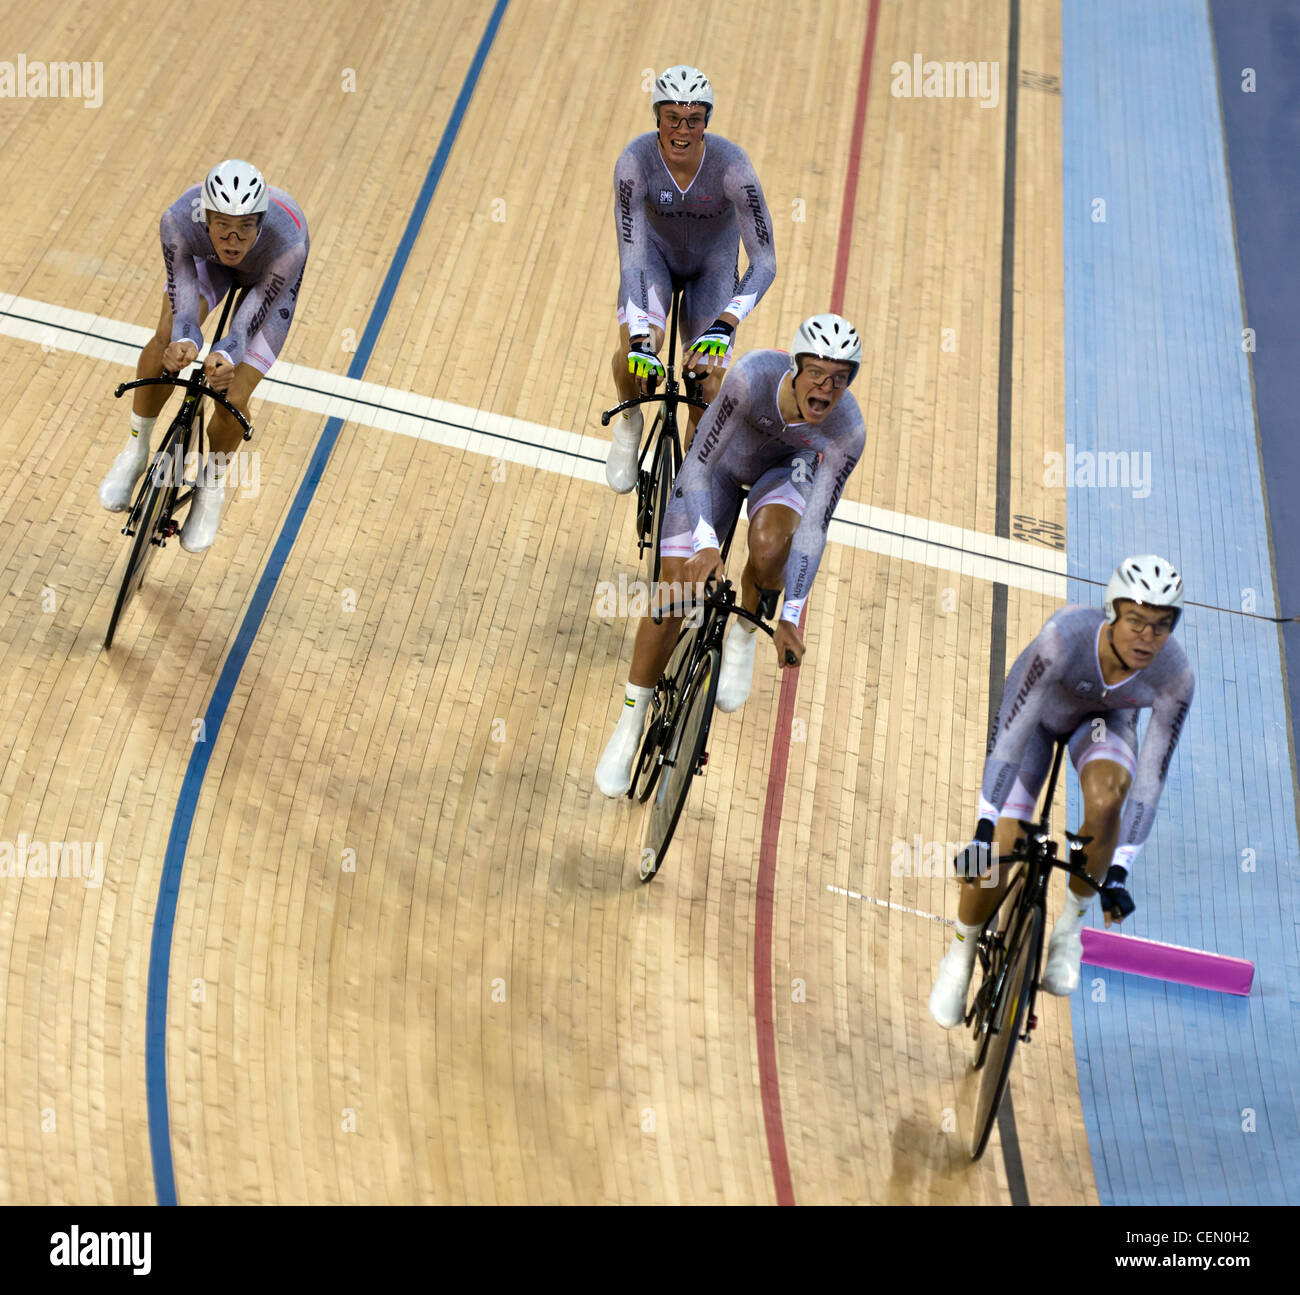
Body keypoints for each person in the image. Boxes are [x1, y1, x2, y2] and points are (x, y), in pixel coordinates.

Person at [595, 314, 865, 796]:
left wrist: (792, 616)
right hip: (717, 470)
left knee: (771, 546)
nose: (826, 387)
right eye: (817, 374)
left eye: (839, 379)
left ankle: (741, 634)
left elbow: (815, 530)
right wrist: (704, 544)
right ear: (795, 366)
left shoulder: (847, 431)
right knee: (675, 594)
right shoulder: (750, 378)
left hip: (783, 474)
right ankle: (630, 720)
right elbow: (697, 465)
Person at [929, 555, 1196, 1028]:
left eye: (1160, 626)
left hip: (1101, 726)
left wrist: (1117, 875)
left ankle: (1070, 928)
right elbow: (1010, 733)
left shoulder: (1174, 674)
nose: (1147, 638)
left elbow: (1151, 777)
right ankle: (962, 949)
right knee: (1002, 846)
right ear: (1112, 614)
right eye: (1136, 622)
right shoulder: (1063, 639)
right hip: (1035, 722)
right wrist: (983, 826)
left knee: (1110, 796)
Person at [98, 159, 309, 551]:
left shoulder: (287, 242)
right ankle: (135, 448)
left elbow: (248, 322)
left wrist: (225, 356)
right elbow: (181, 292)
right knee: (165, 340)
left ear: (260, 223)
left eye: (246, 227)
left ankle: (211, 485)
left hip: (268, 282)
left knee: (234, 394)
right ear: (205, 218)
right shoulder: (178, 219)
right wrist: (186, 341)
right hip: (205, 264)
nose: (233, 239)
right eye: (223, 226)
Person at [605, 64, 777, 492]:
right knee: (635, 355)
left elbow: (766, 261)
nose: (682, 129)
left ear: (706, 123)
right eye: (672, 118)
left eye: (693, 119)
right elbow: (631, 258)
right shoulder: (633, 163)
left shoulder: (733, 167)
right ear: (656, 119)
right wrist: (642, 338)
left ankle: (686, 486)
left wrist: (726, 323)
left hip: (712, 269)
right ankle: (629, 423)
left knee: (708, 378)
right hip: (653, 261)